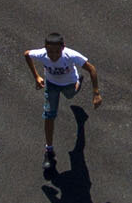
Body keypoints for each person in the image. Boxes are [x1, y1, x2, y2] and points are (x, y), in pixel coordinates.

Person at [24, 34, 100, 167]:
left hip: (69, 84)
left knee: (70, 95)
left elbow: (92, 69)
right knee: (49, 115)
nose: (53, 55)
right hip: (51, 85)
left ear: (63, 48)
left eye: (57, 52)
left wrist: (96, 93)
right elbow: (26, 54)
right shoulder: (42, 54)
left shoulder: (70, 55)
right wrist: (36, 76)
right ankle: (49, 150)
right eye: (50, 52)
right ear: (45, 48)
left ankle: (78, 82)